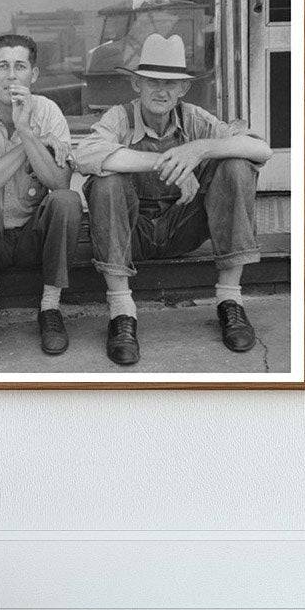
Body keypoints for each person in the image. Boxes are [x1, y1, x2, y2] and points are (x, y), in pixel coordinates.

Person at [74, 33, 272, 366]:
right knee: (105, 181)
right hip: (132, 234)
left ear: (183, 89)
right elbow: (85, 155)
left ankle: (230, 301)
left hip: (183, 228)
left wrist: (199, 150)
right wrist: (168, 162)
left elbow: (261, 150)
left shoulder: (194, 118)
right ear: (137, 84)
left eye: (170, 84)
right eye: (153, 81)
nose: (161, 91)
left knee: (237, 166)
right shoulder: (120, 117)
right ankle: (122, 311)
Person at [0, 34, 82, 364]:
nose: (11, 76)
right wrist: (30, 143)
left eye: (20, 67)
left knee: (66, 201)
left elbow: (59, 183)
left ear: (33, 75)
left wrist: (24, 128)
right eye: (3, 66)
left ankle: (50, 309)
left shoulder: (48, 112)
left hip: (31, 237)